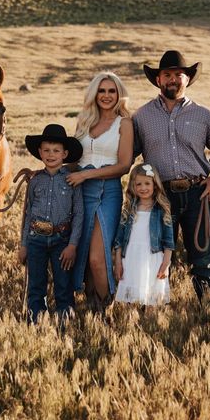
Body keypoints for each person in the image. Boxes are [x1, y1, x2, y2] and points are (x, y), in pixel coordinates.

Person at [133, 50, 210, 302]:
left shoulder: (203, 115)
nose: (172, 80)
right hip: (159, 197)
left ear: (187, 79)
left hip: (198, 195)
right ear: (158, 80)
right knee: (155, 255)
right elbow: (126, 155)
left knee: (203, 258)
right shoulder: (141, 117)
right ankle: (155, 312)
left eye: (179, 74)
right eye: (167, 75)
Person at [67, 72, 133, 311]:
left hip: (107, 191)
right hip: (80, 192)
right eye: (102, 91)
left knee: (98, 257)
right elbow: (75, 161)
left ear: (119, 94)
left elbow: (124, 166)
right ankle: (92, 305)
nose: (106, 96)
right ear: (95, 94)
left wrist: (86, 175)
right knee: (80, 253)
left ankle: (107, 310)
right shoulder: (84, 121)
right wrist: (47, 172)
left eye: (112, 91)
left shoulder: (124, 124)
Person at [18, 124, 84, 323]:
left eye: (56, 151)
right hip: (36, 239)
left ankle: (65, 322)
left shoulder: (72, 180)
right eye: (46, 150)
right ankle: (36, 321)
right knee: (36, 285)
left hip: (61, 240)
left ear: (65, 154)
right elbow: (28, 214)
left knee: (63, 285)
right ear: (39, 152)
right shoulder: (35, 181)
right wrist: (23, 245)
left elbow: (79, 214)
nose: (51, 155)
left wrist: (72, 245)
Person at [114, 163, 175, 306]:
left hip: (153, 259)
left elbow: (169, 241)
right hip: (130, 258)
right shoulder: (129, 209)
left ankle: (150, 325)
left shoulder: (161, 209)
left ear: (155, 185)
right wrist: (118, 261)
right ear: (132, 186)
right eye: (138, 184)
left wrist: (166, 264)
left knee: (152, 300)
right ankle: (130, 326)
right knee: (130, 300)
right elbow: (119, 239)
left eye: (147, 183)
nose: (143, 188)